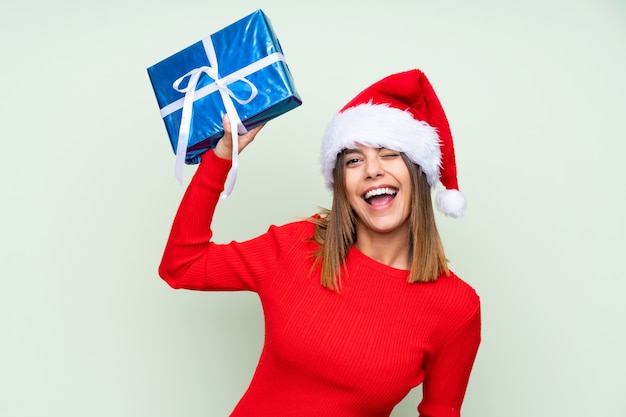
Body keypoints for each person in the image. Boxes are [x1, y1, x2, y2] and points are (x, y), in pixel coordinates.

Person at [159, 69, 481, 417]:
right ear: (341, 183)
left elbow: (441, 411)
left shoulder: (456, 307)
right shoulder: (296, 247)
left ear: (419, 173)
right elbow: (182, 266)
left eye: (390, 154)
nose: (372, 170)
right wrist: (221, 156)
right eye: (354, 160)